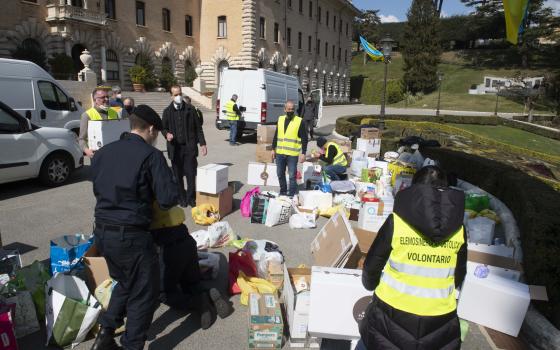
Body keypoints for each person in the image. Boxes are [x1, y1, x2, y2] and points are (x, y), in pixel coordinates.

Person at [90, 105, 178, 350]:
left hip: (103, 232)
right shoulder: (151, 156)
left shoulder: (103, 153)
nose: (156, 137)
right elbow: (168, 199)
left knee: (125, 283)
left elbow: (98, 187)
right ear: (150, 128)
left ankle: (106, 334)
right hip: (131, 235)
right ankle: (132, 345)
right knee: (143, 293)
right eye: (156, 133)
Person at [358, 165, 467, 350]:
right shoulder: (459, 229)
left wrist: (370, 285)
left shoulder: (397, 222)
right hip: (439, 320)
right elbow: (459, 274)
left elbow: (372, 266)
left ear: (415, 189)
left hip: (390, 316)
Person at [150, 204, 233, 329]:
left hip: (167, 250)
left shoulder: (139, 203)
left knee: (163, 293)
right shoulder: (160, 192)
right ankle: (207, 293)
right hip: (186, 241)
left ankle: (197, 302)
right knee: (191, 282)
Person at [162, 85, 207, 208]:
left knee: (191, 173)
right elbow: (163, 128)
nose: (178, 96)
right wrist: (167, 134)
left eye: (180, 93)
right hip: (175, 148)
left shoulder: (190, 109)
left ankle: (191, 197)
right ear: (171, 96)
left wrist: (202, 143)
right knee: (178, 175)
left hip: (189, 147)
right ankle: (182, 197)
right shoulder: (167, 111)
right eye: (176, 94)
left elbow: (199, 128)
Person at [271, 100, 308, 197]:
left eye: (292, 109)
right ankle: (283, 192)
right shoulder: (280, 119)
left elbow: (304, 138)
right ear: (285, 109)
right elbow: (276, 134)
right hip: (280, 153)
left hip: (292, 154)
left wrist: (303, 153)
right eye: (289, 109)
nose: (291, 111)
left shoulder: (299, 121)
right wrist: (272, 148)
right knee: (280, 174)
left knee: (292, 176)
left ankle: (291, 194)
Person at [79, 87, 120, 158]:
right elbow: (81, 139)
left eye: (107, 97)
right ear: (95, 100)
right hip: (97, 155)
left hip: (114, 153)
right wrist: (87, 150)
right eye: (103, 97)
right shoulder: (86, 115)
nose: (106, 99)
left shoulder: (114, 112)